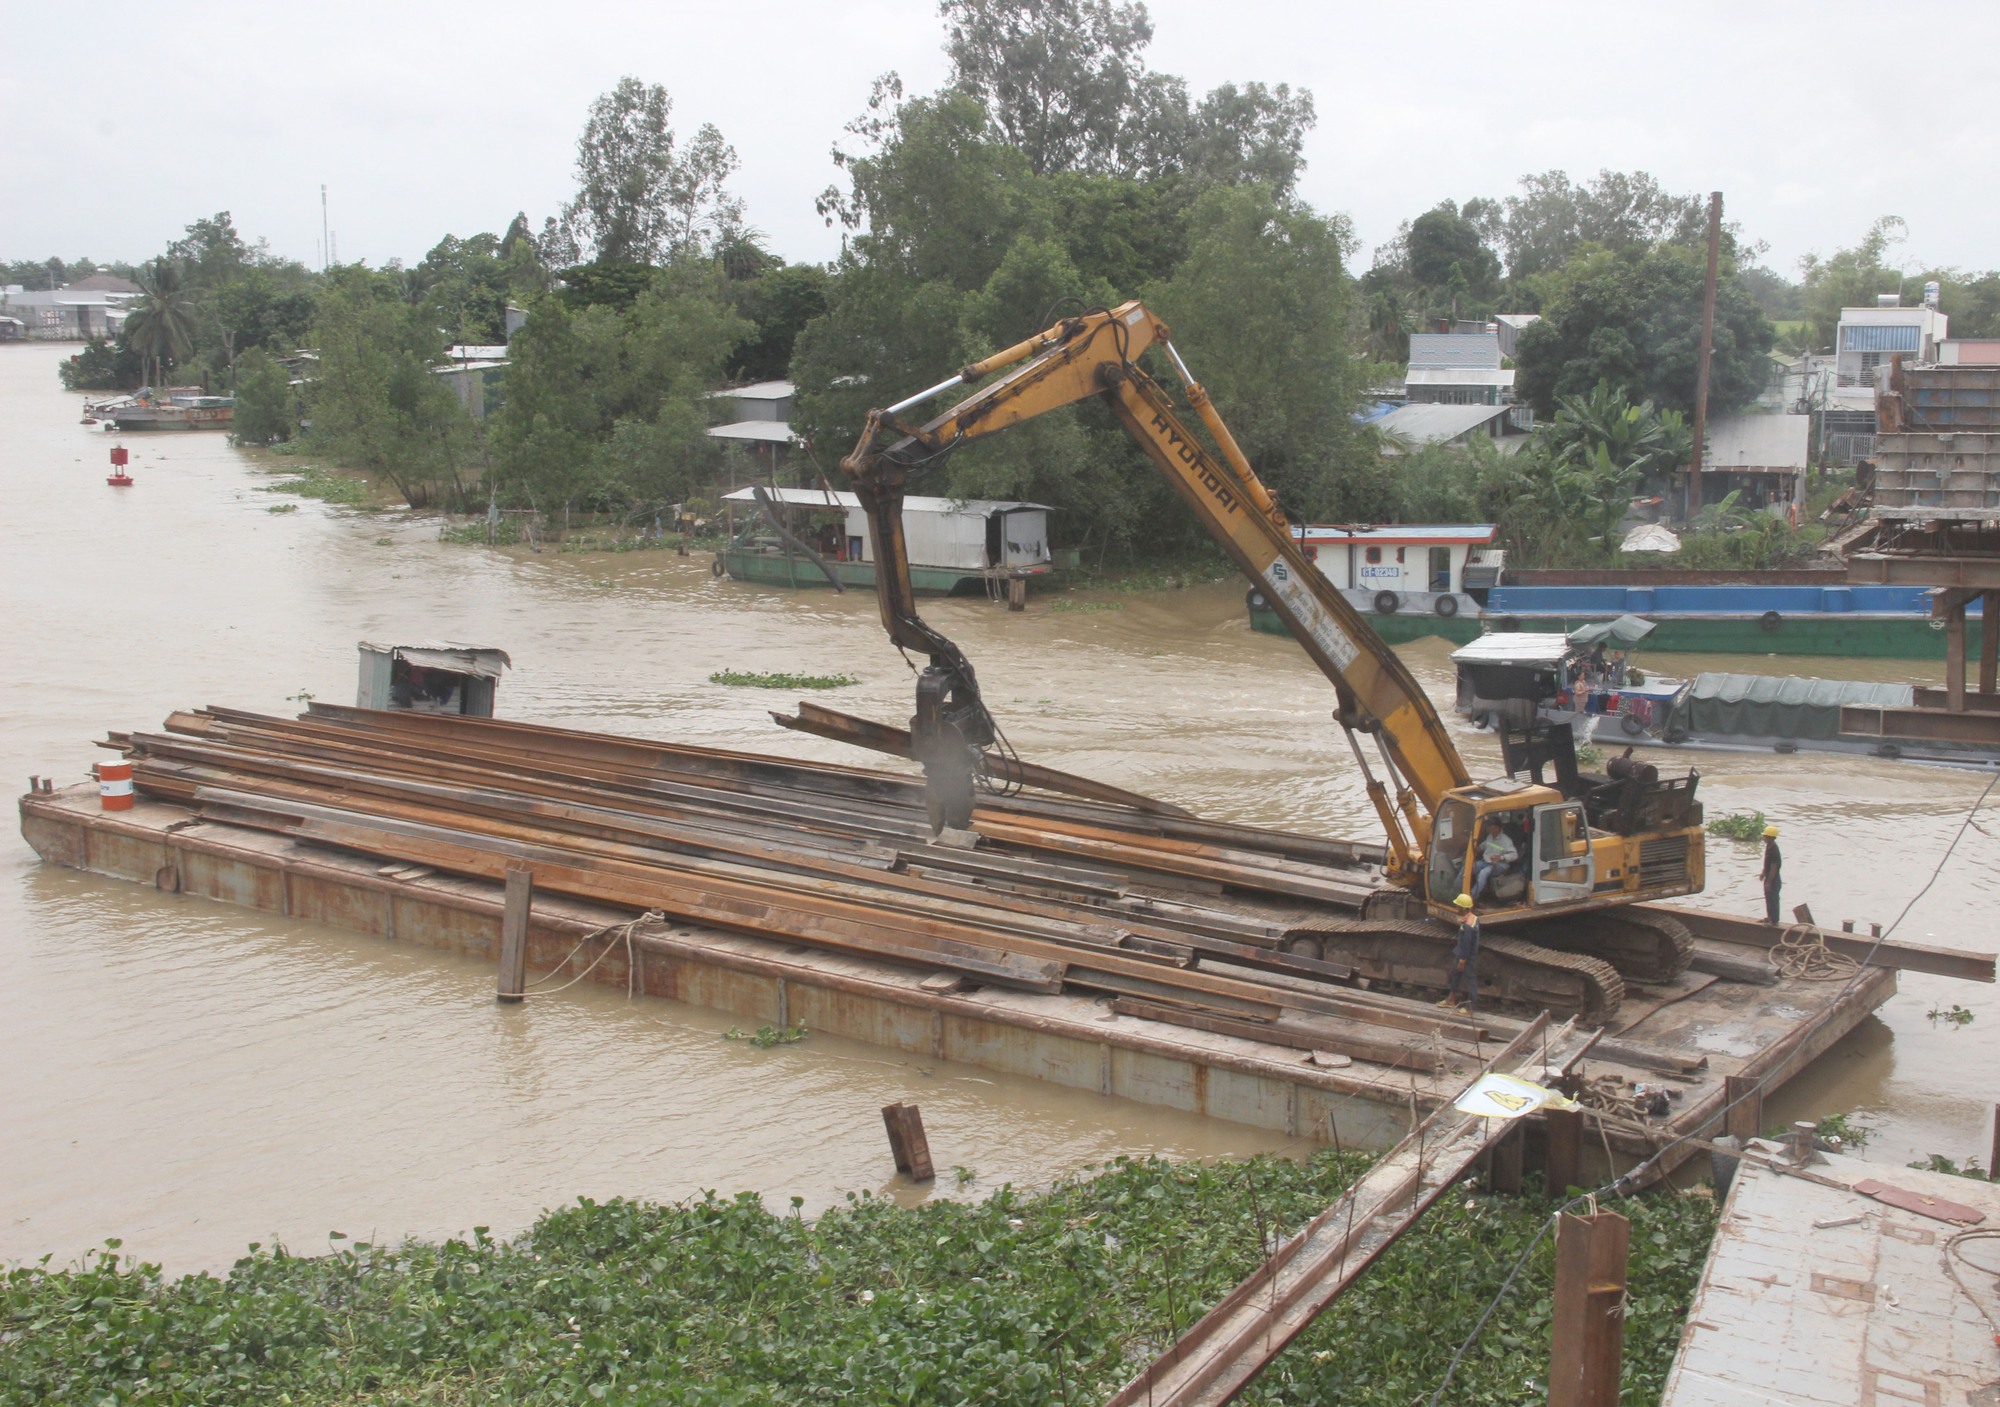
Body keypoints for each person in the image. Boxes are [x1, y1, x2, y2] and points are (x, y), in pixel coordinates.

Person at [1441, 893, 1480, 1010]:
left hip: (1466, 955)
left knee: (1470, 979)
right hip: (1461, 953)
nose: (1456, 908)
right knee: (1455, 975)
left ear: (1463, 908)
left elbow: (1467, 944)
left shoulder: (1468, 925)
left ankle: (1471, 1007)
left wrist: (1463, 960)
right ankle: (1451, 999)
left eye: (1458, 906)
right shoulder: (1472, 918)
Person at [1470, 817, 1519, 904]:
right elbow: (1483, 846)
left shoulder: (1506, 840)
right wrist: (1477, 849)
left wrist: (1501, 857)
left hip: (1499, 865)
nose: (1487, 828)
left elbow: (1514, 855)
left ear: (1497, 827)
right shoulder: (1489, 837)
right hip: (1486, 862)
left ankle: (1471, 897)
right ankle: (1455, 890)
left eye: (1490, 826)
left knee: (1483, 873)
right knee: (1469, 868)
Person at [1761, 823, 1783, 924]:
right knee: (1768, 898)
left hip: (1773, 879)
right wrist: (1763, 872)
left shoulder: (1774, 850)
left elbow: (1774, 867)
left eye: (1765, 836)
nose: (1763, 837)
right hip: (1769, 877)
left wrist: (1769, 882)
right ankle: (1769, 917)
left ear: (1769, 837)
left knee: (1773, 899)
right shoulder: (1769, 847)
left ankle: (1774, 920)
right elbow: (1767, 864)